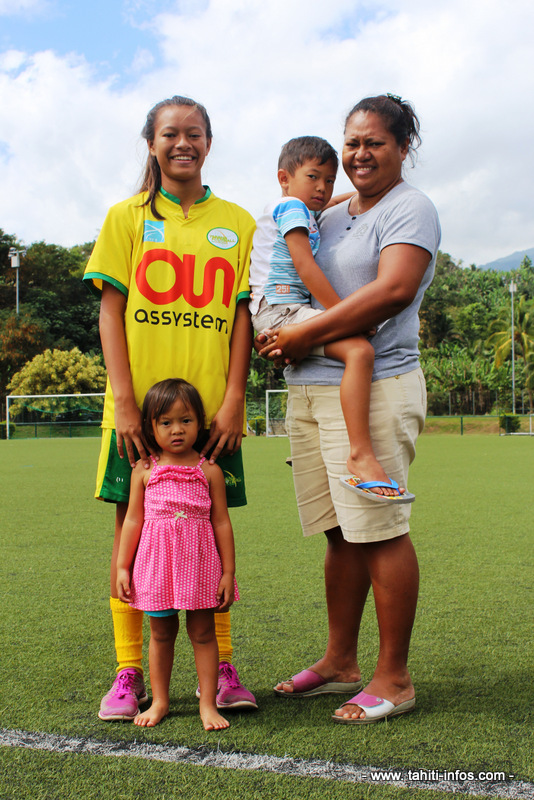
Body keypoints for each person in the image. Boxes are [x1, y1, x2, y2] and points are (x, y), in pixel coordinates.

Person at [261, 94, 441, 722]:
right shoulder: (332, 212)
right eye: (352, 144)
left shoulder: (410, 208)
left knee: (379, 529)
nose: (360, 154)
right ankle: (341, 660)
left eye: (375, 143)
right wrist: (285, 339)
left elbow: (393, 290)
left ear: (403, 148)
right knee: (340, 533)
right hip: (311, 385)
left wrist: (301, 333)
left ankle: (395, 678)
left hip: (376, 385)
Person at [83, 95, 257, 721]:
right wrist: (125, 402)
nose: (183, 143)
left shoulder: (238, 222)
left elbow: (243, 316)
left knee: (208, 534)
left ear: (209, 142)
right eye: (170, 134)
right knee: (132, 539)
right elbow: (109, 312)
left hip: (209, 417)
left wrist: (234, 399)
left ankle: (224, 667)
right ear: (151, 143)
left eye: (194, 133)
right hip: (137, 415)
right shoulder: (125, 217)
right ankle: (129, 670)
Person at [250, 136, 409, 499]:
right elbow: (305, 266)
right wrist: (344, 314)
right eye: (313, 177)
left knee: (338, 355)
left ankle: (316, 446)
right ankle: (360, 454)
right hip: (281, 308)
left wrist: (367, 195)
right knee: (360, 351)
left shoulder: (301, 208)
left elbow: (336, 203)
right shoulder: (292, 208)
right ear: (284, 178)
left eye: (330, 180)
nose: (322, 188)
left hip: (278, 310)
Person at [116, 379, 237, 730]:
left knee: (203, 633)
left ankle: (208, 704)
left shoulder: (209, 470)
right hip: (156, 567)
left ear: (200, 422)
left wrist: (228, 572)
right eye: (166, 422)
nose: (177, 430)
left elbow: (222, 522)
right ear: (150, 427)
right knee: (161, 634)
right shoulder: (145, 470)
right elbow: (133, 520)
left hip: (200, 567)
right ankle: (160, 701)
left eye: (186, 420)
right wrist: (123, 567)